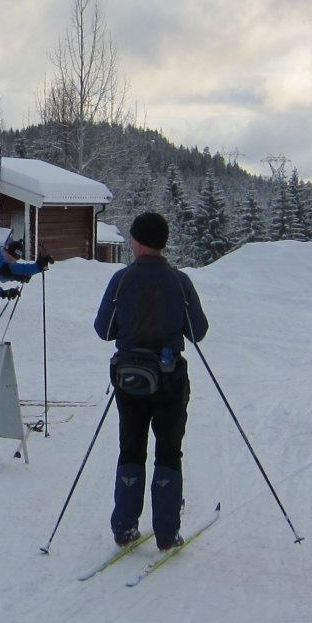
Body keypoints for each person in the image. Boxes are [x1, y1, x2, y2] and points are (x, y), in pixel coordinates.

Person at [92, 211, 208, 551]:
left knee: (131, 448)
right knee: (169, 451)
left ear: (140, 242)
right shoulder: (179, 280)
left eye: (133, 238)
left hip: (130, 379)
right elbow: (198, 330)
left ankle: (125, 526)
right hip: (171, 379)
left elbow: (104, 330)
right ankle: (167, 532)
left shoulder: (122, 280)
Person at [0, 236, 51, 339]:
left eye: (14, 261)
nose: (11, 262)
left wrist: (17, 277)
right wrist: (4, 293)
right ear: (5, 250)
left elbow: (3, 274)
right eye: (10, 258)